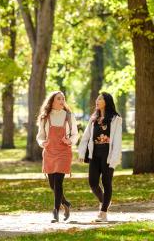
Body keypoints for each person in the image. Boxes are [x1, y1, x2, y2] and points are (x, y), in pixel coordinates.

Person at [78, 92, 123, 223]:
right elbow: (86, 137)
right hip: (95, 154)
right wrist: (81, 153)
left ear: (107, 101)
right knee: (92, 182)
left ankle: (103, 212)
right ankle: (104, 201)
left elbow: (117, 140)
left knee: (106, 182)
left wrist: (115, 158)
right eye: (97, 99)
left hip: (108, 154)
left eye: (100, 99)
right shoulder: (93, 119)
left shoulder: (116, 119)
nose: (97, 101)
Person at [37, 91, 78, 223]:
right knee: (52, 184)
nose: (62, 101)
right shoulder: (45, 117)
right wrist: (42, 142)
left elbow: (75, 134)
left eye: (63, 99)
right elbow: (40, 135)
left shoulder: (69, 116)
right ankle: (65, 203)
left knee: (58, 182)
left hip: (64, 151)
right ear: (52, 101)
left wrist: (70, 141)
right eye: (58, 99)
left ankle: (55, 211)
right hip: (49, 151)